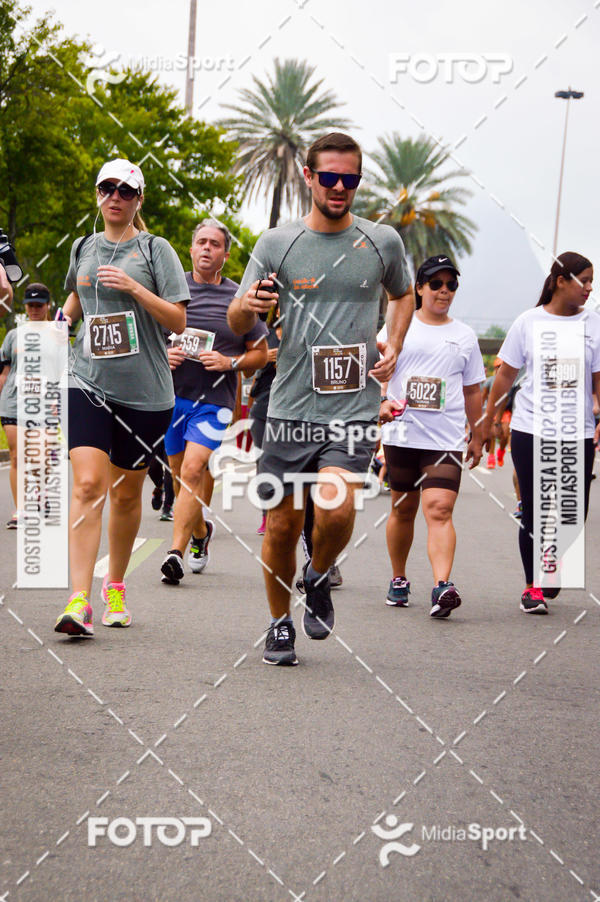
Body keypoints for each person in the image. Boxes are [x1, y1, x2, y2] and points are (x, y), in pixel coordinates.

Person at [228, 132, 414, 666]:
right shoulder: (276, 244)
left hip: (352, 405)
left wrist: (394, 342)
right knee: (283, 524)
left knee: (334, 506)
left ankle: (316, 575)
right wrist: (251, 303)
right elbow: (237, 320)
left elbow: (403, 294)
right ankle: (278, 622)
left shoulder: (382, 242)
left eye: (349, 179)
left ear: (358, 182)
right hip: (288, 406)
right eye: (328, 177)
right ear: (308, 177)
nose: (339, 187)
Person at [54, 158, 189, 636]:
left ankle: (115, 586)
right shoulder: (84, 247)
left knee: (127, 494)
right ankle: (77, 600)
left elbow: (177, 321)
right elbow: (77, 297)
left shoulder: (156, 250)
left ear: (138, 199)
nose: (115, 196)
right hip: (87, 383)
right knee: (89, 485)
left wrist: (134, 287)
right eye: (106, 188)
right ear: (97, 194)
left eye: (125, 191)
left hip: (147, 396)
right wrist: (58, 324)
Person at [483, 252, 600, 614]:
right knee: (534, 508)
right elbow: (505, 376)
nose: (589, 288)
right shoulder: (528, 322)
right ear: (561, 281)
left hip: (577, 432)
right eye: (584, 280)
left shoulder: (594, 324)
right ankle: (532, 585)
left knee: (572, 512)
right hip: (530, 428)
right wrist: (487, 422)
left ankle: (552, 563)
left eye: (592, 281)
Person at [160, 219, 268, 584]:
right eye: (201, 242)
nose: (207, 248)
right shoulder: (171, 291)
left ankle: (174, 553)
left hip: (215, 401)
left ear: (225, 253)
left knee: (193, 470)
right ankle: (200, 534)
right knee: (178, 478)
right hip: (171, 398)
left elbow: (261, 353)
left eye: (215, 244)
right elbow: (147, 338)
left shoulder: (239, 300)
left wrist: (230, 362)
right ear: (190, 249)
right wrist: (165, 353)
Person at [379, 256, 485, 617]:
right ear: (419, 288)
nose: (444, 291)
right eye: (436, 284)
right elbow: (377, 369)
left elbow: (473, 391)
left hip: (445, 439)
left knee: (439, 509)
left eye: (451, 284)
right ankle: (398, 578)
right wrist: (379, 402)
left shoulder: (465, 336)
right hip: (402, 434)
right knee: (403, 508)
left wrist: (478, 434)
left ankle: (442, 586)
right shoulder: (397, 327)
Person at [0, 283, 51, 528]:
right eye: (30, 305)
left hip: (43, 405)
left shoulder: (57, 335)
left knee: (40, 457)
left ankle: (40, 494)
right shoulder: (13, 336)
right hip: (13, 402)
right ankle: (21, 510)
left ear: (47, 306)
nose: (34, 309)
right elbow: (5, 372)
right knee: (17, 456)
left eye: (39, 305)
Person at [249, 310, 282, 535]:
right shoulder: (265, 334)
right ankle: (265, 514)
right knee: (264, 462)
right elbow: (249, 369)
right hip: (263, 406)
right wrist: (265, 358)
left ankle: (286, 511)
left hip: (293, 410)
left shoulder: (306, 334)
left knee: (289, 464)